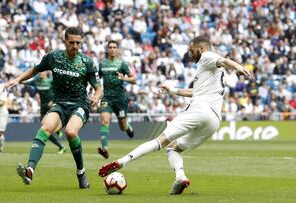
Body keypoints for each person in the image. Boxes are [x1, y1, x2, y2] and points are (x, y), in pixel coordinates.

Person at [98, 36, 252, 194]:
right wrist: (172, 91)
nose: (190, 54)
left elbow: (224, 60)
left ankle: (121, 162)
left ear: (201, 48)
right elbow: (195, 92)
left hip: (199, 109)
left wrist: (237, 66)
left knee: (161, 141)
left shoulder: (206, 56)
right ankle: (180, 177)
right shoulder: (211, 72)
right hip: (213, 120)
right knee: (173, 149)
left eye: (191, 50)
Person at [7, 27, 103, 188]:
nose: (75, 45)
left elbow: (98, 86)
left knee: (71, 132)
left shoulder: (87, 62)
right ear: (65, 41)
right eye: (71, 42)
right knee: (44, 128)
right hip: (60, 104)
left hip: (79, 104)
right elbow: (36, 69)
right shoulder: (54, 57)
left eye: (78, 43)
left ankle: (81, 172)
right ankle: (30, 169)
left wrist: (96, 95)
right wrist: (18, 79)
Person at [97, 40, 136, 159]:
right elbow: (98, 79)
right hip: (107, 97)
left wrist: (123, 78)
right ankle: (105, 148)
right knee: (104, 120)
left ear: (117, 50)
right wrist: (96, 92)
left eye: (114, 47)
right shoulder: (102, 64)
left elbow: (134, 79)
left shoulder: (122, 64)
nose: (112, 49)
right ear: (107, 49)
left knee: (122, 127)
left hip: (120, 98)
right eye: (110, 47)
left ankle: (128, 127)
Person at [24, 71, 67, 154]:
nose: (40, 73)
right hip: (43, 107)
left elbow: (59, 91)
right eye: (39, 72)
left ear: (46, 72)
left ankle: (60, 143)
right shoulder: (36, 81)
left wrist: (53, 100)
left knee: (46, 129)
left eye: (42, 71)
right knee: (46, 131)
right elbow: (25, 82)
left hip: (52, 106)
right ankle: (59, 139)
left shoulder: (50, 81)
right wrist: (17, 81)